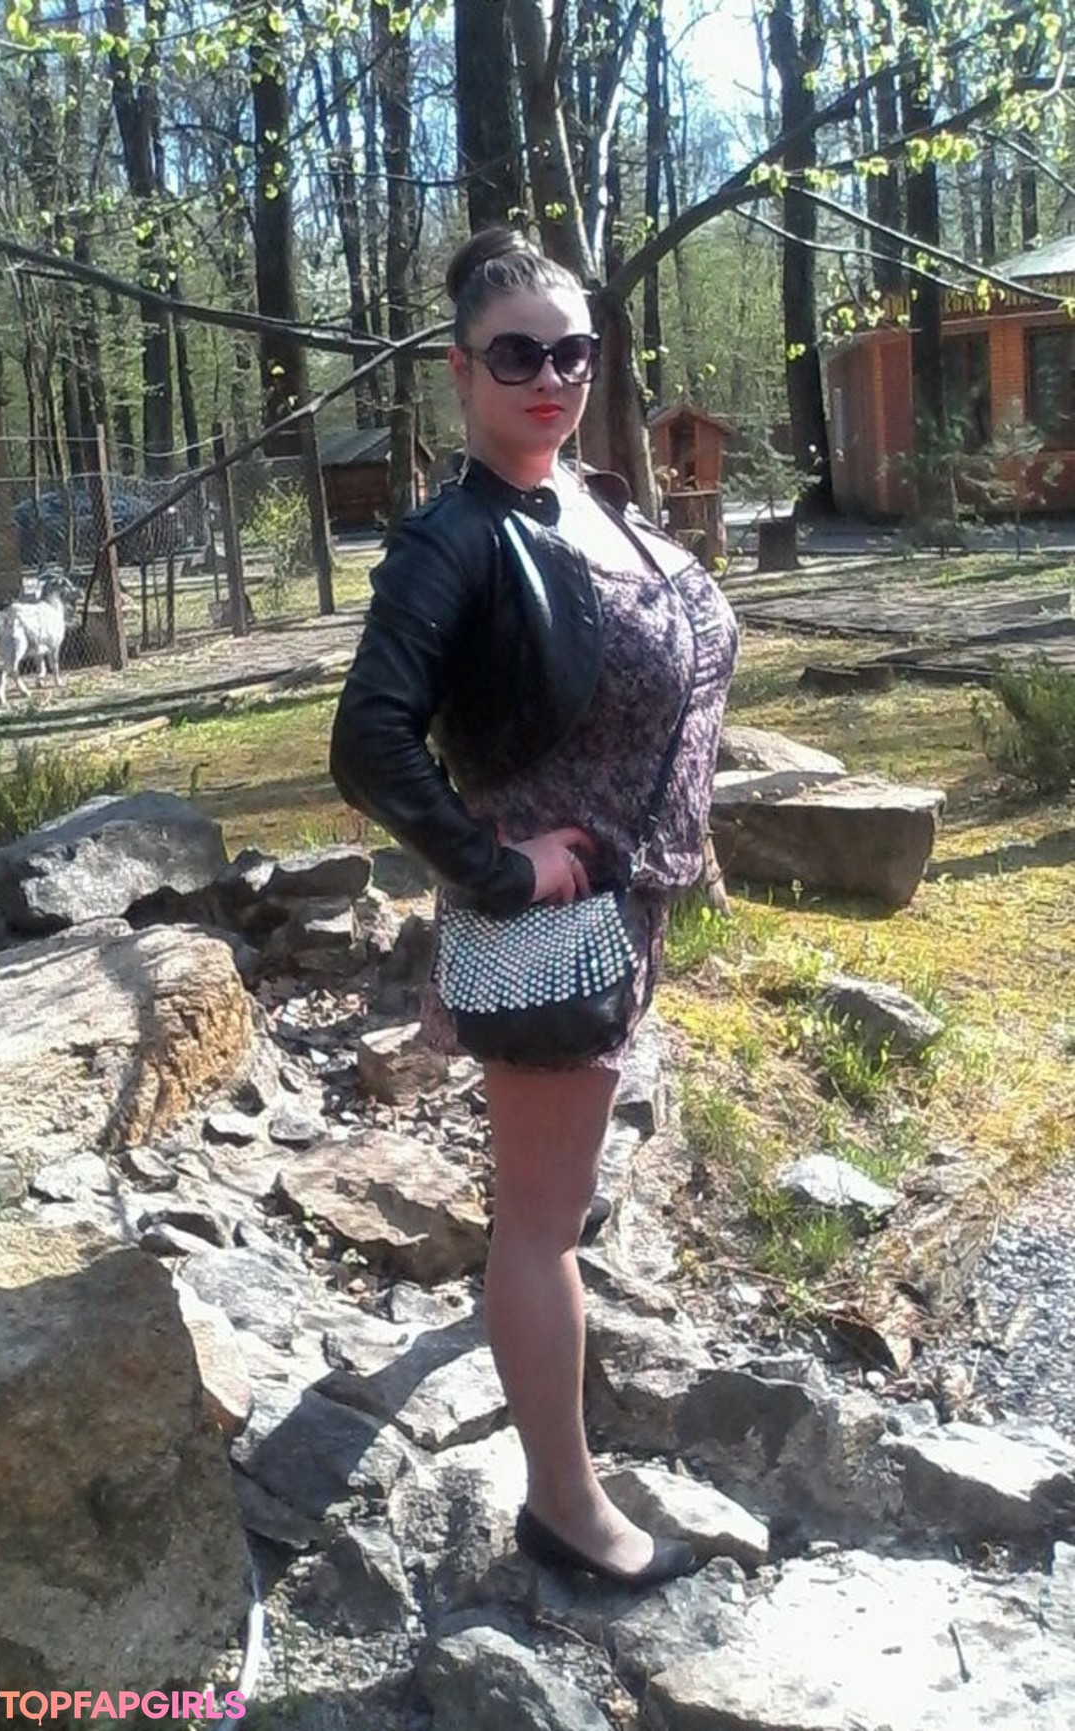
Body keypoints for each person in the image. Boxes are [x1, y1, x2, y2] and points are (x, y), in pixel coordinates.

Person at [330, 226, 738, 1588]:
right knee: (540, 1226)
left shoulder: (586, 494)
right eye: (517, 356)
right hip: (551, 924)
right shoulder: (453, 541)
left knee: (548, 1201)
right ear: (462, 372)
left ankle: (529, 1385)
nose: (552, 377)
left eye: (573, 352)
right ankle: (565, 1508)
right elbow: (368, 743)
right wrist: (497, 869)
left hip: (626, 907)